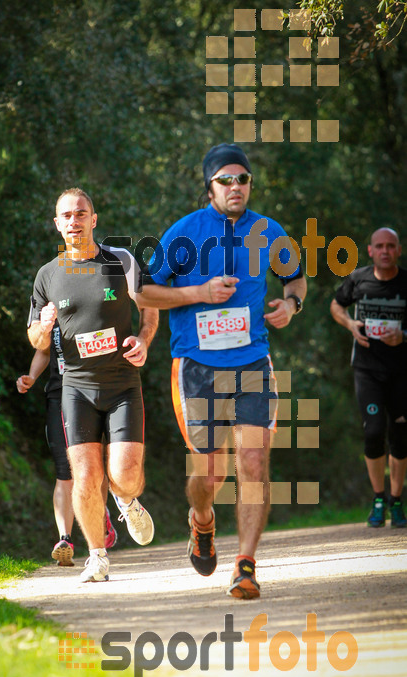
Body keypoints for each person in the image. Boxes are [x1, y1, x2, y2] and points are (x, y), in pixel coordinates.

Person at [137, 143, 307, 599]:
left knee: (253, 462)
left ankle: (246, 565)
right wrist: (198, 293)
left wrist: (291, 304)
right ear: (209, 186)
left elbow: (296, 277)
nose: (236, 187)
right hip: (196, 365)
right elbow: (144, 294)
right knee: (209, 476)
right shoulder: (184, 234)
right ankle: (202, 522)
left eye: (243, 179)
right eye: (225, 180)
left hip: (252, 359)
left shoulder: (268, 231)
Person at [28, 187, 159, 582]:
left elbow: (150, 307)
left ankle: (126, 497)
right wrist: (44, 327)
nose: (74, 221)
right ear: (56, 223)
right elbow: (34, 338)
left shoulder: (121, 261)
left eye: (81, 213)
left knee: (125, 473)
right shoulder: (47, 276)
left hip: (121, 384)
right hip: (76, 387)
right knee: (84, 475)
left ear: (94, 219)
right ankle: (97, 556)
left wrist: (144, 340)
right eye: (66, 215)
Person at [16, 336, 118, 566]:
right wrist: (31, 377)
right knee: (64, 470)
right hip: (58, 394)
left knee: (92, 466)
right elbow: (43, 351)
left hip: (89, 391)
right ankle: (65, 540)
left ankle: (100, 520)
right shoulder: (49, 310)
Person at [330, 227, 407, 528]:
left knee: (400, 438)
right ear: (370, 250)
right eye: (380, 246)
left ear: (398, 250)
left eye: (391, 246)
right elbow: (336, 305)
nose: (385, 251)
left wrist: (403, 336)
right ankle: (378, 498)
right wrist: (350, 324)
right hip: (367, 370)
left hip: (402, 372)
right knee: (374, 431)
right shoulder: (358, 279)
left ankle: (396, 501)